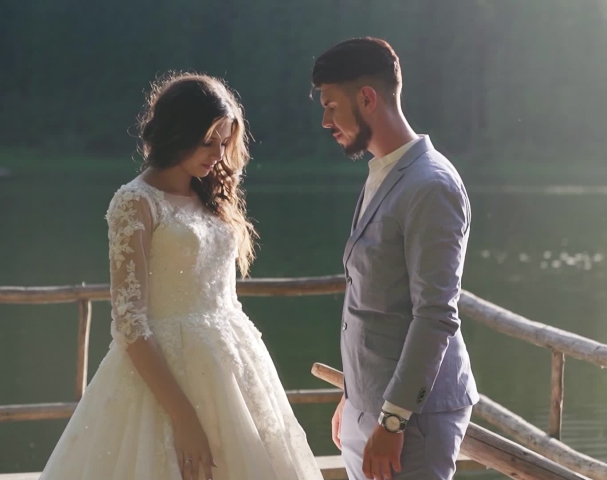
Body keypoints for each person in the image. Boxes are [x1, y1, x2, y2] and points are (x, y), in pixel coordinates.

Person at [39, 72, 323, 480]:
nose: (219, 154)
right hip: (163, 382)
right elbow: (130, 325)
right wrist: (185, 420)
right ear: (178, 131)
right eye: (209, 141)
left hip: (234, 368)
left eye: (225, 142)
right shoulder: (135, 202)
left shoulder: (212, 195)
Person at [312, 38, 479, 480]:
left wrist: (392, 419)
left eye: (331, 105)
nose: (325, 120)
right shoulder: (383, 172)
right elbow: (376, 303)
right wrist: (352, 395)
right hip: (368, 407)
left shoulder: (432, 185)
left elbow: (436, 314)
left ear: (367, 98)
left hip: (410, 422)